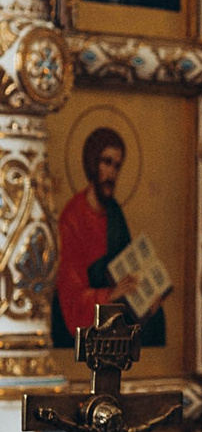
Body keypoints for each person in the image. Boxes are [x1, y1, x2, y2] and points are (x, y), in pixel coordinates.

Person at [52, 126, 164, 348]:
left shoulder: (114, 211)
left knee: (156, 318)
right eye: (107, 162)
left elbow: (131, 264)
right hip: (85, 314)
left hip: (116, 301)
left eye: (117, 166)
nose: (112, 173)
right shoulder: (73, 218)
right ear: (93, 163)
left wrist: (147, 294)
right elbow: (72, 295)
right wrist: (110, 294)